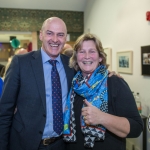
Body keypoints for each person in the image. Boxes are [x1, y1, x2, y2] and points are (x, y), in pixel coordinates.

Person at [0, 17, 76, 150]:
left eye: (60, 35)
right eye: (49, 33)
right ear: (41, 35)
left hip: (61, 144)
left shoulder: (71, 65)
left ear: (65, 38)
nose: (55, 39)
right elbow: (5, 111)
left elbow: (91, 75)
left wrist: (109, 76)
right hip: (25, 144)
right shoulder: (20, 63)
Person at [63, 33, 143, 150]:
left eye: (92, 51)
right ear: (76, 57)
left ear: (100, 57)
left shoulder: (114, 82)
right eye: (81, 51)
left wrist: (101, 118)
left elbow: (136, 128)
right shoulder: (74, 83)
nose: (86, 56)